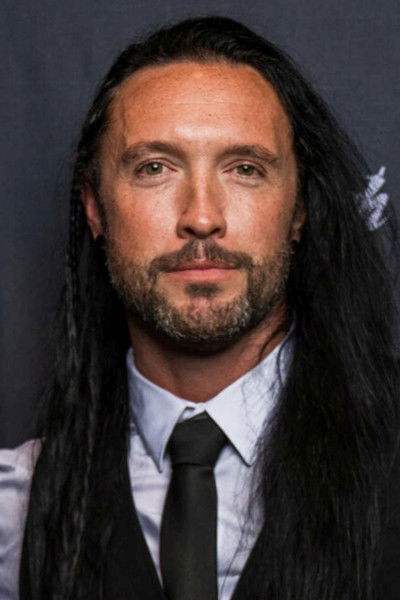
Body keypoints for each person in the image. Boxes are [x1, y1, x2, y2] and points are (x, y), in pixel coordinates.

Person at [0, 16, 399, 600]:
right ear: (94, 208)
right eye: (154, 168)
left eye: (245, 169)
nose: (203, 216)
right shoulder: (18, 513)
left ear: (299, 210)